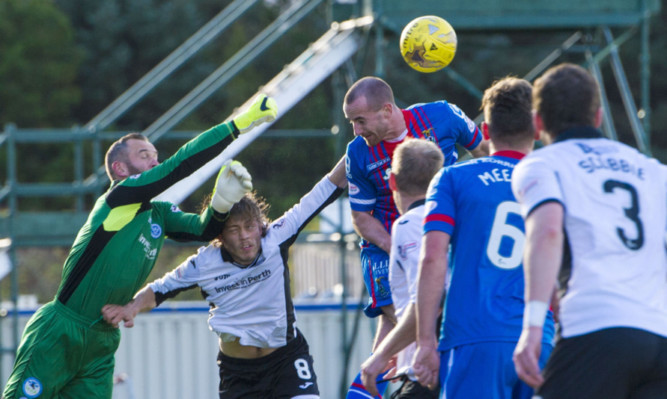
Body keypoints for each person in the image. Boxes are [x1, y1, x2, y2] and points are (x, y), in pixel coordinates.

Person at [2, 95, 278, 399]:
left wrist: (221, 204)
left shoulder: (158, 213)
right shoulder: (120, 197)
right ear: (120, 169)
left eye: (155, 155)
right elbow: (179, 165)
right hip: (62, 330)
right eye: (145, 155)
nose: (155, 162)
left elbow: (204, 230)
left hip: (102, 342)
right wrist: (238, 124)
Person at [101, 156, 348, 399]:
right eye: (234, 229)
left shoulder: (276, 238)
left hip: (287, 359)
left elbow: (325, 189)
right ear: (219, 235)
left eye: (250, 227)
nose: (245, 237)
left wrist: (359, 147)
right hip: (238, 373)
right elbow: (159, 289)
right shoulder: (204, 262)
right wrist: (131, 307)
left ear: (260, 226)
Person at [511, 63, 667, 398]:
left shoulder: (542, 165)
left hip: (596, 330)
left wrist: (533, 325)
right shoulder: (654, 170)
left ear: (537, 123)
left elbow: (548, 232)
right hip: (660, 338)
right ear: (597, 116)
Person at [413, 77, 555, 398]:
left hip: (473, 337)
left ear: (486, 132)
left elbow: (432, 257)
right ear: (536, 128)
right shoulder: (553, 180)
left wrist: (425, 342)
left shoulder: (453, 177)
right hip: (539, 340)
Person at [343, 76, 486, 398]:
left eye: (360, 121)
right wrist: (401, 250)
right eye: (352, 122)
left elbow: (483, 153)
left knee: (423, 315)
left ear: (387, 110)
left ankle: (374, 385)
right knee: (407, 313)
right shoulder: (358, 154)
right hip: (387, 246)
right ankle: (412, 377)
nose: (356, 130)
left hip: (441, 236)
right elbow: (360, 218)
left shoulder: (442, 116)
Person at [358, 138, 443, 398]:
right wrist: (401, 345)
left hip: (428, 371)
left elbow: (433, 297)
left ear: (392, 181)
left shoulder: (411, 225)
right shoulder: (452, 219)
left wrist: (381, 354)